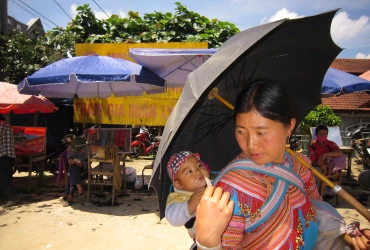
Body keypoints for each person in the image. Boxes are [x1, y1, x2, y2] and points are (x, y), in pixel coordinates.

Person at [194, 80, 370, 250]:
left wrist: (351, 238)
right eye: (241, 131)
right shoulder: (230, 190)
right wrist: (208, 241)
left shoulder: (300, 166)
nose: (251, 144)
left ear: (289, 126)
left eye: (261, 132)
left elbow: (318, 214)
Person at [166, 151, 211, 250]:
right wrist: (190, 205)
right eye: (189, 172)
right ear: (178, 185)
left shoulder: (215, 184)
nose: (197, 171)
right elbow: (173, 219)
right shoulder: (180, 198)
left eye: (199, 166)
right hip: (202, 243)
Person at [0, 114, 19, 207]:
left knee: (3, 179)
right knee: (7, 177)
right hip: (10, 155)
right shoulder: (7, 125)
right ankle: (6, 198)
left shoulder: (1, 125)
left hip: (4, 155)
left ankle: (13, 197)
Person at [63, 137, 88, 206]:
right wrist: (72, 161)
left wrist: (83, 163)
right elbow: (69, 159)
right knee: (73, 170)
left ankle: (69, 196)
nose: (79, 150)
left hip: (85, 169)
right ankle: (79, 189)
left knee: (72, 175)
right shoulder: (71, 148)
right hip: (74, 167)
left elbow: (89, 160)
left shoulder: (87, 148)